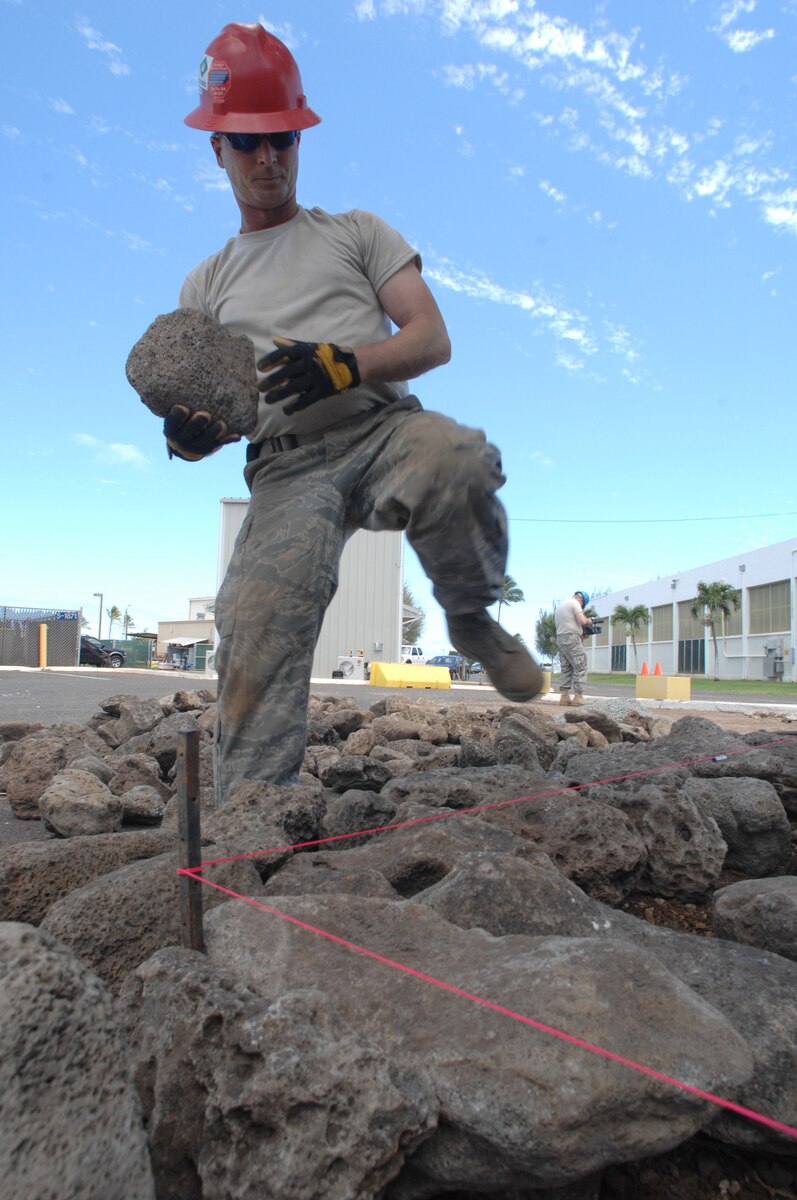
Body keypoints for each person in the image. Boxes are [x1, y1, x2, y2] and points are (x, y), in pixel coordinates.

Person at [164, 23, 542, 802]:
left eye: (283, 142)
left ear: (300, 139)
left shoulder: (357, 234)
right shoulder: (205, 286)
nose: (267, 161)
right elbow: (214, 413)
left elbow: (431, 337)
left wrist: (346, 364)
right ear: (217, 151)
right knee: (259, 620)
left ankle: (470, 617)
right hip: (285, 468)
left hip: (381, 430)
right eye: (245, 144)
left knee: (457, 457)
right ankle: (251, 814)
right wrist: (187, 436)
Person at [554, 591, 592, 706]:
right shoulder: (575, 603)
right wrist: (588, 621)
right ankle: (578, 697)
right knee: (581, 666)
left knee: (566, 667)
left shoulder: (560, 607)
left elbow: (567, 626)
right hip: (571, 638)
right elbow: (582, 621)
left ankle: (564, 697)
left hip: (561, 638)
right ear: (581, 600)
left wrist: (580, 635)